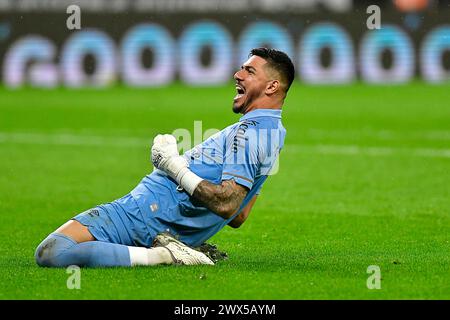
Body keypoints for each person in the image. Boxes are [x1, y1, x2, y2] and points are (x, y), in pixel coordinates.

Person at [35, 47, 295, 267]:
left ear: (272, 86)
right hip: (156, 217)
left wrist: (173, 166)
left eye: (249, 72)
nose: (237, 75)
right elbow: (239, 215)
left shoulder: (249, 133)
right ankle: (174, 247)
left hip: (144, 215)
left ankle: (162, 255)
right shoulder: (273, 132)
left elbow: (228, 205)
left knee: (53, 251)